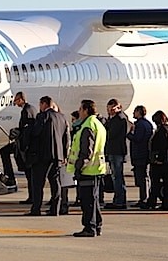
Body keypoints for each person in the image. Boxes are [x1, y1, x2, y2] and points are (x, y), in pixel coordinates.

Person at [24, 96, 70, 216]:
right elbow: (66, 139)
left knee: (38, 184)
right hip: (58, 156)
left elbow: (35, 133)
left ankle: (36, 209)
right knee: (55, 182)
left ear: (44, 104)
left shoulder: (42, 117)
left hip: (42, 155)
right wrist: (64, 155)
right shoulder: (63, 118)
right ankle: (56, 209)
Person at [67, 99, 106, 237]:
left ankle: (89, 227)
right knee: (94, 200)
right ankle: (97, 225)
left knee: (87, 201)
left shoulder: (87, 126)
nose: (79, 112)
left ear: (86, 110)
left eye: (80, 109)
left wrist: (78, 167)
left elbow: (86, 151)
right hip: (96, 168)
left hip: (88, 169)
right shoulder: (98, 124)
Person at [0, 92, 36, 202]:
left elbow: (28, 129)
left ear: (21, 100)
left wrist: (18, 133)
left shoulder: (26, 111)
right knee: (4, 151)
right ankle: (11, 177)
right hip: (25, 142)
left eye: (16, 101)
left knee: (29, 173)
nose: (15, 103)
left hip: (26, 144)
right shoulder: (31, 109)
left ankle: (11, 178)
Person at [147, 110, 168, 210]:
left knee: (156, 182)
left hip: (162, 161)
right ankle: (165, 202)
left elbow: (164, 146)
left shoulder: (163, 130)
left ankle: (154, 202)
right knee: (166, 183)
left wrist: (160, 159)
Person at [103, 99, 129, 209]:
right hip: (114, 150)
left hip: (116, 151)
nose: (110, 111)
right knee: (116, 176)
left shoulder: (120, 119)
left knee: (117, 176)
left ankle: (120, 200)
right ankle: (118, 199)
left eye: (112, 109)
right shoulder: (114, 119)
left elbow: (111, 134)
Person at [126, 105, 153, 208]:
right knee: (144, 177)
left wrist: (129, 134)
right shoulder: (147, 124)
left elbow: (137, 138)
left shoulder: (140, 125)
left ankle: (144, 199)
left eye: (135, 112)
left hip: (140, 154)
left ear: (139, 112)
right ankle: (145, 197)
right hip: (144, 154)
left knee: (142, 178)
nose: (133, 113)